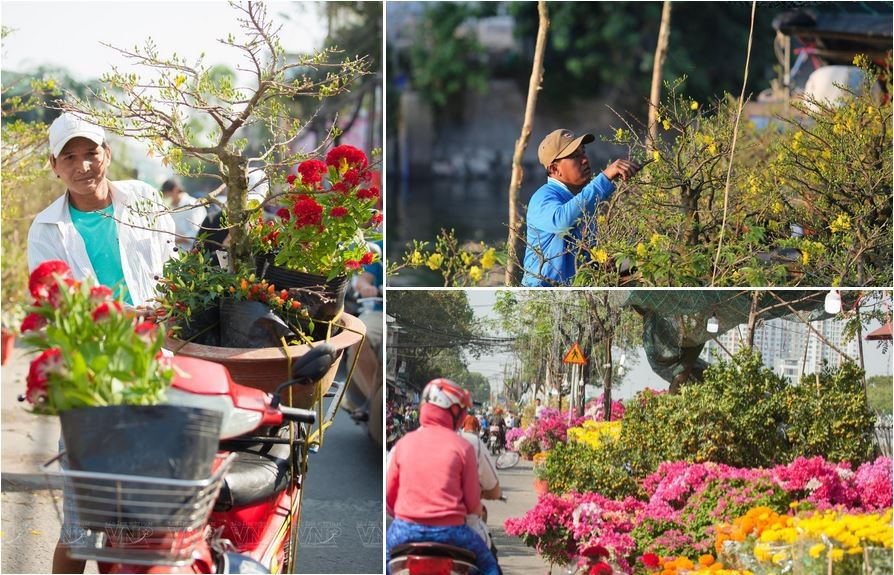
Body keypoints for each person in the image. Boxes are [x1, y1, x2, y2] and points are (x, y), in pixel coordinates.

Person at [27, 112, 176, 574]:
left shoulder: (146, 199)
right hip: (93, 380)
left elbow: (175, 267)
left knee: (143, 518)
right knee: (80, 525)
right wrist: (117, 318)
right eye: (69, 157)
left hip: (158, 369)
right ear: (54, 165)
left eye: (90, 152)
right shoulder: (46, 229)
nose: (82, 165)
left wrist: (172, 304)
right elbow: (58, 309)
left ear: (106, 154)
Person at [386, 379, 500, 575]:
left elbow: (389, 501)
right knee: (490, 567)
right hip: (453, 533)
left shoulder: (403, 444)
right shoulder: (464, 447)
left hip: (404, 532)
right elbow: (473, 505)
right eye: (461, 409)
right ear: (452, 410)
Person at [521, 128, 643, 286]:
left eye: (583, 152)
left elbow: (583, 258)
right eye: (575, 156)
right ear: (554, 169)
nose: (585, 160)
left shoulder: (579, 201)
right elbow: (561, 222)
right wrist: (604, 179)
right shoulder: (542, 197)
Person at [458, 415, 501, 551]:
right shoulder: (474, 443)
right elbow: (493, 489)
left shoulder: (408, 442)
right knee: (490, 564)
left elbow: (390, 502)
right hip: (459, 526)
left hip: (410, 530)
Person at [161, 178, 207, 251]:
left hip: (191, 253)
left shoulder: (193, 204)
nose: (167, 198)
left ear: (175, 190)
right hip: (174, 251)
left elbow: (197, 232)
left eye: (168, 195)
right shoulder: (170, 207)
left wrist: (173, 239)